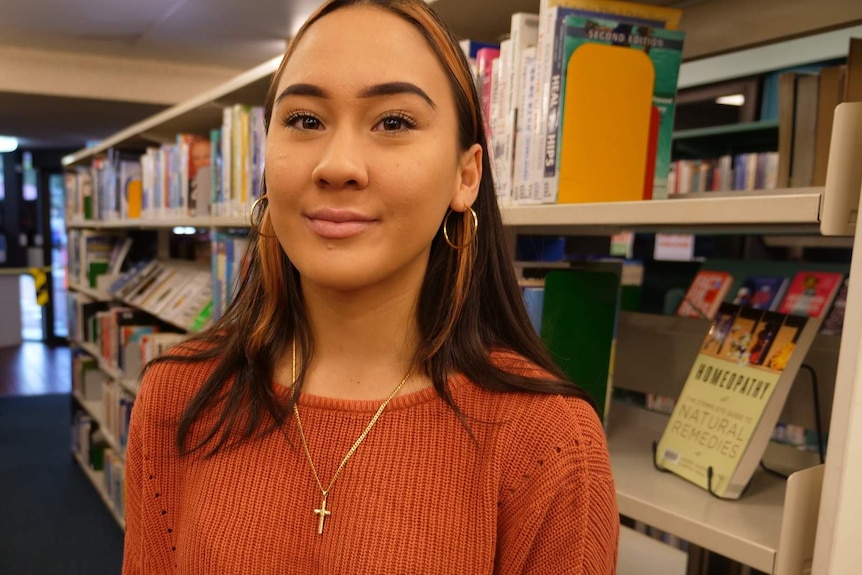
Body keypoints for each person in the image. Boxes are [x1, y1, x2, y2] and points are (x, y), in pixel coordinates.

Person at [122, 0, 619, 573]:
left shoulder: (549, 444)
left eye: (395, 122)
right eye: (305, 120)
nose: (337, 165)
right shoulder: (178, 395)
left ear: (466, 175)